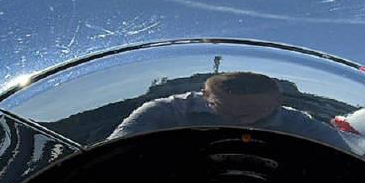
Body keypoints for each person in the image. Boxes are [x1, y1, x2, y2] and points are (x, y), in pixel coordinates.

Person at [111, 71, 344, 146]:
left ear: (277, 102)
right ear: (205, 96)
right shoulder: (163, 111)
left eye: (255, 111)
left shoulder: (300, 124)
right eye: (227, 110)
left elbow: (343, 160)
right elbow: (115, 151)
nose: (242, 122)